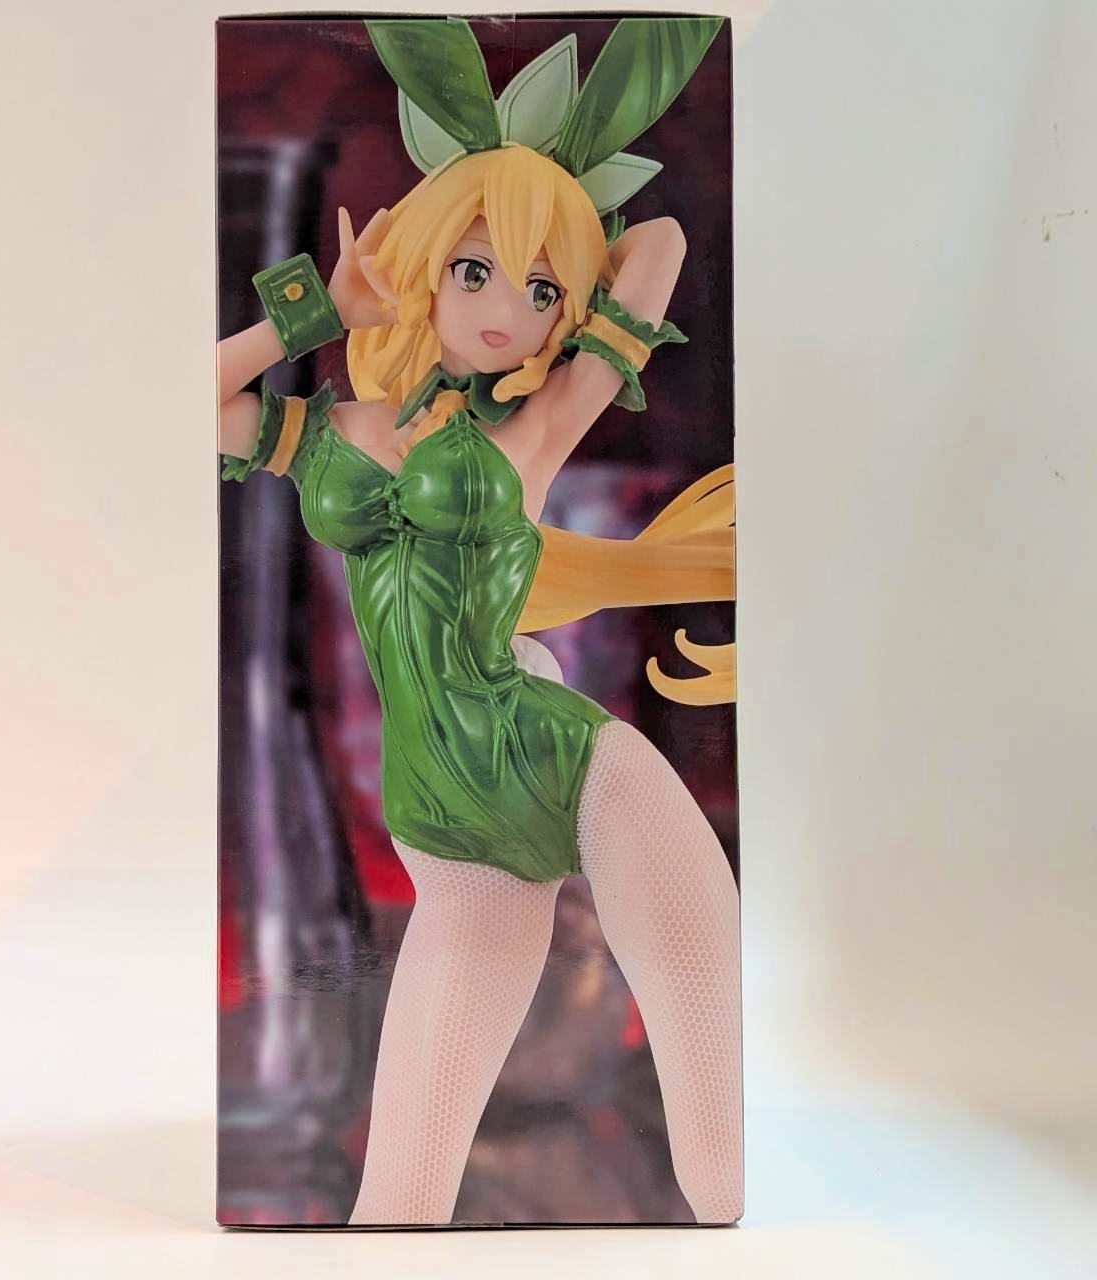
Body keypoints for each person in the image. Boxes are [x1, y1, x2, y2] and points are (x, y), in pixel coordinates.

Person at [218, 17, 742, 1225]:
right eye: (474, 270)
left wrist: (533, 194)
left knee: (712, 1100)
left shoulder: (532, 430)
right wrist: (315, 312)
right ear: (421, 265)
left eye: (539, 288)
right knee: (399, 1193)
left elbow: (658, 244)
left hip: (565, 758)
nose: (507, 306)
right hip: (443, 813)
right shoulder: (329, 435)